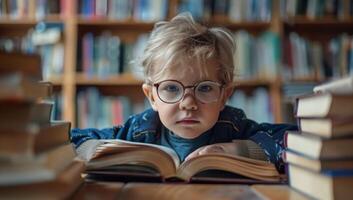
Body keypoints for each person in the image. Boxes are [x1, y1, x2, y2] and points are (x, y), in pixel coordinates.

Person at [70, 13, 297, 173]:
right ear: (152, 96)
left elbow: (296, 139)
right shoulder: (139, 130)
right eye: (171, 88)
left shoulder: (234, 126)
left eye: (205, 88)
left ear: (224, 95)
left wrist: (238, 149)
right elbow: (71, 138)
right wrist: (99, 151)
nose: (188, 103)